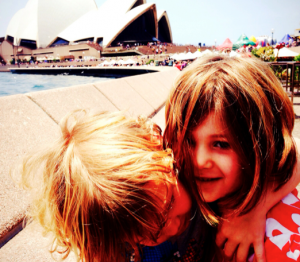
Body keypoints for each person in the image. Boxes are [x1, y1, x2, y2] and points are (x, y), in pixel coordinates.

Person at [20, 110, 207, 262]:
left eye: (171, 201)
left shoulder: (205, 192)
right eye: (149, 233)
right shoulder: (115, 253)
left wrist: (237, 220)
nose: (174, 227)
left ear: (160, 147)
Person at [164, 55, 300, 261]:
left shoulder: (280, 241)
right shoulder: (173, 179)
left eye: (220, 144)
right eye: (188, 141)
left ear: (263, 144)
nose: (200, 161)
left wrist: (256, 206)